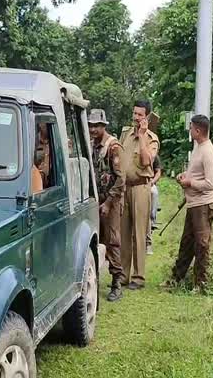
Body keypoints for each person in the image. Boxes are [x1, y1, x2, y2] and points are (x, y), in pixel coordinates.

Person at [167, 114, 213, 291]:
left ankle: (201, 285)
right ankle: (176, 279)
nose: (189, 130)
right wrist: (185, 177)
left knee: (202, 245)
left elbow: (210, 184)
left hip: (203, 205)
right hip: (193, 204)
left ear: (197, 130)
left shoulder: (208, 152)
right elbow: (196, 174)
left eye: (191, 128)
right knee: (187, 243)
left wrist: (190, 183)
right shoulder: (198, 148)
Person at [119, 100, 159, 290]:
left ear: (147, 117)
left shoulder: (152, 138)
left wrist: (142, 136)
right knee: (124, 233)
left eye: (140, 115)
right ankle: (123, 275)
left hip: (141, 188)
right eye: (134, 113)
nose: (135, 118)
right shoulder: (125, 134)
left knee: (139, 233)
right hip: (124, 188)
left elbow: (145, 162)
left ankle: (138, 277)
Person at [88, 109, 126, 302]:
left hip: (111, 201)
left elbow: (121, 179)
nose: (93, 129)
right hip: (96, 199)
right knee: (96, 240)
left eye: (96, 125)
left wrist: (109, 203)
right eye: (91, 125)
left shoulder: (113, 147)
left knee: (112, 241)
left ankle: (117, 282)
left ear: (104, 126)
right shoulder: (91, 146)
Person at [146, 154, 162, 255]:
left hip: (150, 183)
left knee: (154, 193)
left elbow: (158, 172)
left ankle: (153, 217)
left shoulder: (154, 156)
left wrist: (152, 181)